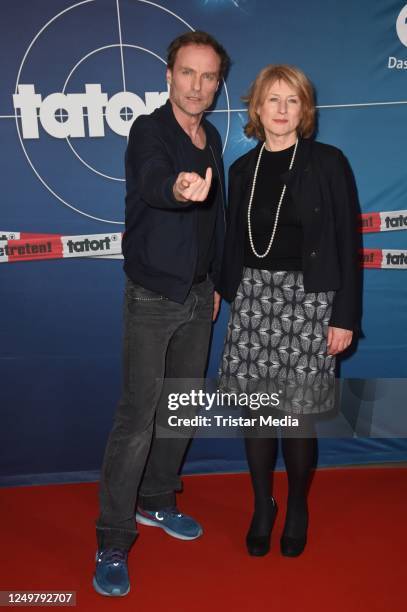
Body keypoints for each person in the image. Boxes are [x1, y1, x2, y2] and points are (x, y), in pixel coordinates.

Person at [94, 31, 229, 596]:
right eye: (187, 73)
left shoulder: (215, 134)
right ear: (169, 76)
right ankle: (112, 539)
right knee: (136, 421)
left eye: (208, 76)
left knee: (181, 409)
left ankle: (156, 500)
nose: (197, 86)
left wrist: (217, 281)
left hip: (200, 296)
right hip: (152, 298)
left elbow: (214, 217)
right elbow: (154, 181)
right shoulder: (148, 130)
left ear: (218, 82)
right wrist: (179, 185)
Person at [218, 65, 360, 558]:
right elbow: (233, 242)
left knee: (298, 418)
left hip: (312, 303)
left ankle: (297, 505)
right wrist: (221, 290)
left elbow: (347, 241)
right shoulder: (242, 170)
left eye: (292, 100)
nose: (281, 109)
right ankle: (264, 505)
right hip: (255, 300)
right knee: (257, 417)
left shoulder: (328, 162)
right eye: (272, 100)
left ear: (305, 109)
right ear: (256, 108)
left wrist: (344, 315)